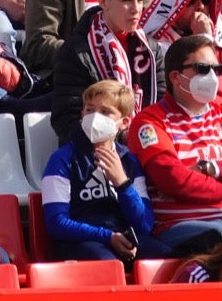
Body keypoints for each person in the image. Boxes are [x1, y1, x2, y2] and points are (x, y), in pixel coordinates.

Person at [126, 34, 222, 251]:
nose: (212, 76)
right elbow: (174, 180)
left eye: (216, 69)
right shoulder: (149, 122)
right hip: (183, 226)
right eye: (203, 69)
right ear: (175, 77)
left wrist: (212, 168)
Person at [39, 79, 165, 263]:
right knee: (107, 264)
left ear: (124, 123)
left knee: (168, 258)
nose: (95, 117)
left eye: (105, 112)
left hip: (125, 240)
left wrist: (123, 184)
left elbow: (144, 225)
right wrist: (107, 236)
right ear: (82, 114)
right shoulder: (61, 160)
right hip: (81, 243)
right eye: (90, 110)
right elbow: (56, 224)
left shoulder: (130, 162)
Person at [51, 0, 159, 139]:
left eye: (139, 0)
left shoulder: (151, 49)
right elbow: (66, 120)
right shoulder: (76, 52)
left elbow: (161, 108)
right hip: (94, 153)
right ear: (103, 2)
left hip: (146, 143)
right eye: (126, 0)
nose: (136, 9)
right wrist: (120, 138)